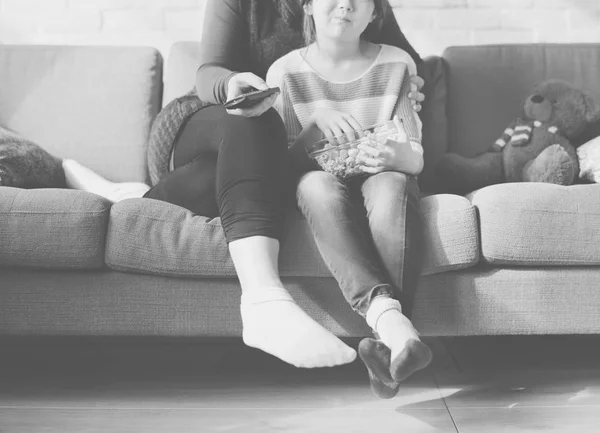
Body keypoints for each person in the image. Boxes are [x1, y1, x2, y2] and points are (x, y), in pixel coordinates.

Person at [62, 0, 426, 374]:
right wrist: (230, 83)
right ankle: (264, 301)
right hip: (213, 117)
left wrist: (414, 86)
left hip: (256, 154)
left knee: (242, 155)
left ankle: (129, 199)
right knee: (258, 118)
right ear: (308, 7)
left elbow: (409, 63)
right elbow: (208, 74)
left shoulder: (362, 23)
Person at [265, 0, 432, 398]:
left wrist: (398, 156)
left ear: (375, 13)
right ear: (307, 6)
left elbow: (416, 156)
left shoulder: (397, 64)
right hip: (318, 185)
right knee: (313, 186)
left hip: (383, 177)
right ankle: (396, 332)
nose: (346, 4)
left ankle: (387, 344)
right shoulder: (284, 73)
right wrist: (315, 123)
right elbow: (279, 170)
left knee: (391, 185)